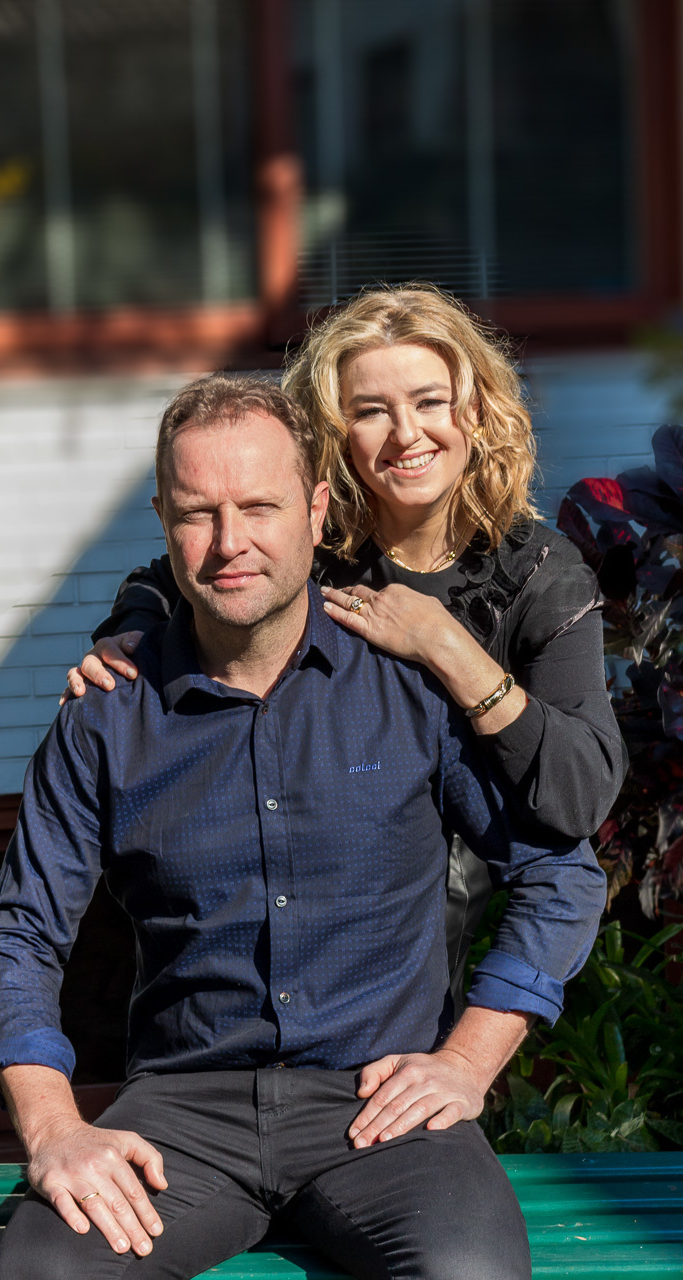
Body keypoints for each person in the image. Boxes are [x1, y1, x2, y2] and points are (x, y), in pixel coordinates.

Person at [0, 375, 606, 1280]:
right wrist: (56, 1126)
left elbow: (560, 874)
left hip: (381, 1110)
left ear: (314, 508)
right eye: (198, 513)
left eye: (259, 507)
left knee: (470, 1273)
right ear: (161, 520)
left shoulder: (412, 687)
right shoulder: (107, 714)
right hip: (182, 1117)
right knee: (42, 1273)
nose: (230, 543)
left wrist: (466, 1062)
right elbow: (14, 931)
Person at [66, 285, 625, 1005]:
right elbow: (166, 580)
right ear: (333, 432)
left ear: (476, 410)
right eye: (369, 411)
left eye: (429, 401)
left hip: (457, 908)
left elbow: (578, 798)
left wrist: (447, 647)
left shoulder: (540, 577)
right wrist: (124, 643)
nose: (405, 434)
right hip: (300, 879)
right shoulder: (309, 542)